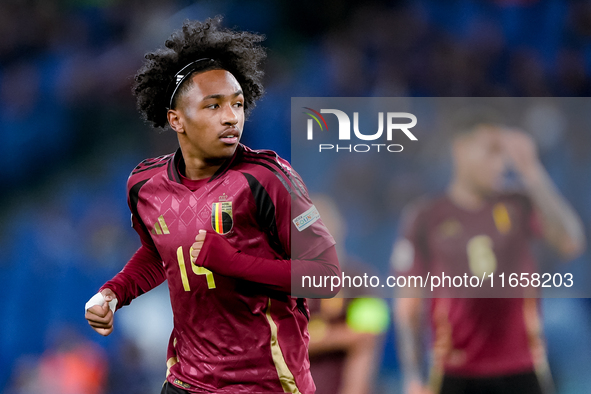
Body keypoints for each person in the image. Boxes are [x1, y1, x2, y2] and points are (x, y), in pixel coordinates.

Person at [84, 17, 340, 394]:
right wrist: (114, 292)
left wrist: (235, 263)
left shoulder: (269, 179)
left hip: (266, 384)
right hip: (185, 382)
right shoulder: (144, 185)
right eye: (213, 105)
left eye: (237, 104)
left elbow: (327, 276)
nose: (230, 117)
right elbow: (160, 253)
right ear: (176, 119)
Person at [391, 110, 585, 394]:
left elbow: (571, 242)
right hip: (454, 371)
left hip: (523, 367)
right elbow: (408, 305)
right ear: (460, 150)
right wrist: (413, 375)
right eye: (492, 152)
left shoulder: (519, 203)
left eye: (503, 153)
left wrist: (533, 172)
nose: (501, 163)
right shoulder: (426, 216)